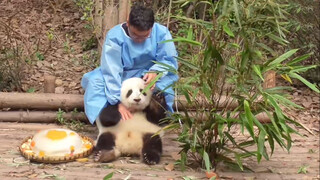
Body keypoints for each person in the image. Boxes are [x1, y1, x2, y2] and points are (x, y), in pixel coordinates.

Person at [81, 5, 179, 124]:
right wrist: (119, 101)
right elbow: (111, 70)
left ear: (152, 27)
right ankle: (108, 116)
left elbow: (169, 61)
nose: (139, 40)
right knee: (96, 83)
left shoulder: (162, 33)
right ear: (128, 23)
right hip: (123, 74)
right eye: (135, 35)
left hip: (147, 74)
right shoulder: (115, 36)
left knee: (165, 85)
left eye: (145, 36)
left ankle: (155, 114)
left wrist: (156, 72)